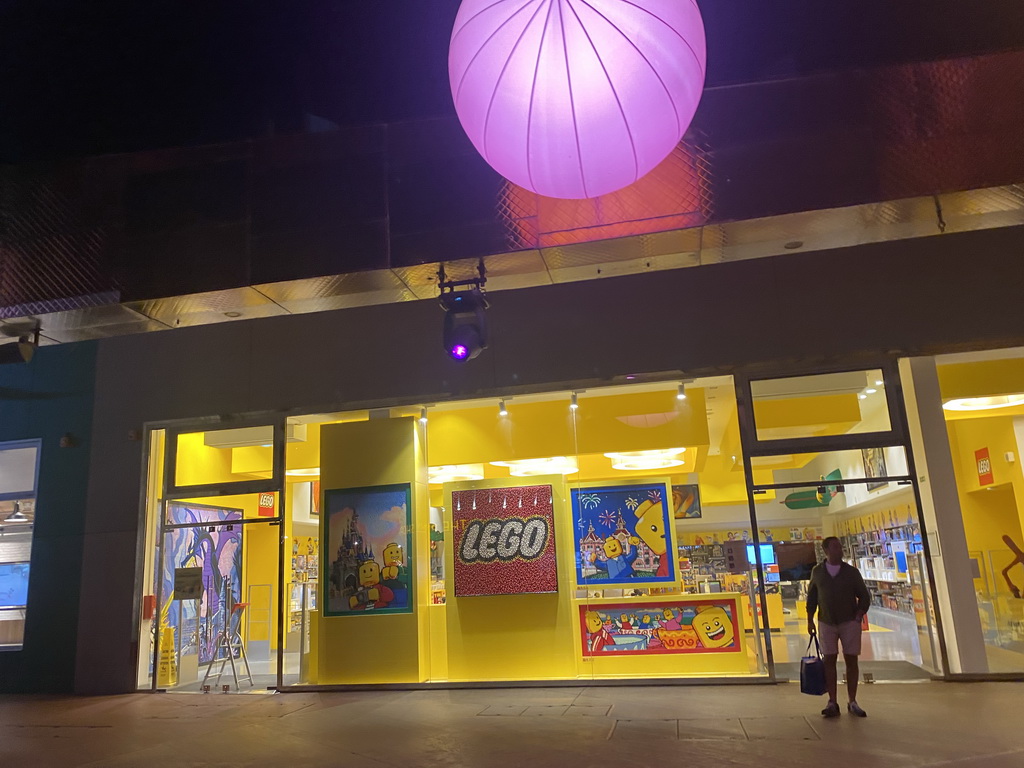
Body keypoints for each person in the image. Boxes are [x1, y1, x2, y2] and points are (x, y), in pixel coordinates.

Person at [806, 536, 872, 718]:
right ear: (826, 550)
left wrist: (859, 614)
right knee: (829, 660)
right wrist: (810, 619)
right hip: (826, 621)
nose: (839, 549)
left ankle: (852, 700)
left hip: (849, 622)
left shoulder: (851, 572)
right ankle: (832, 701)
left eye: (840, 547)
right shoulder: (817, 572)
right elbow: (812, 597)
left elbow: (864, 596)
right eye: (835, 547)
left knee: (851, 660)